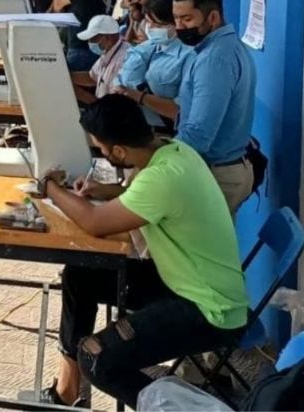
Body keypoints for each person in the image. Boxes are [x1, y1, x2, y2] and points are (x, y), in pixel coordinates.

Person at [34, 94, 249, 409]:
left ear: (119, 151)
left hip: (209, 310)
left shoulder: (162, 179)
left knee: (97, 359)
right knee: (82, 275)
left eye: (103, 151)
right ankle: (68, 385)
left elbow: (94, 222)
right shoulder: (174, 151)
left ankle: (175, 407)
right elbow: (137, 194)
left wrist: (50, 187)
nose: (103, 155)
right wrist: (101, 190)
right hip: (184, 283)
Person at [170, 0, 256, 214]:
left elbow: (198, 135)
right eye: (176, 19)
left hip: (216, 173)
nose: (180, 27)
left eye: (187, 19)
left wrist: (155, 156)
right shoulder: (224, 47)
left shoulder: (214, 60)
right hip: (219, 168)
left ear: (213, 18)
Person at [114, 0, 195, 133]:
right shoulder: (150, 46)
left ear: (175, 23)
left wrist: (139, 96)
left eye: (157, 24)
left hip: (171, 131)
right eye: (148, 22)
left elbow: (182, 112)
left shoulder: (189, 56)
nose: (150, 28)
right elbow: (123, 75)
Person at [71, 15, 128, 105]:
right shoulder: (109, 51)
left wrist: (79, 94)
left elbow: (113, 105)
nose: (90, 43)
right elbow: (92, 77)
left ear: (107, 38)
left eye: (93, 39)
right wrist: (66, 77)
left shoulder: (122, 60)